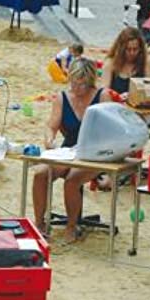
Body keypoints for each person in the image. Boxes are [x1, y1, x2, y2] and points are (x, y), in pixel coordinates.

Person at [32, 58, 114, 236]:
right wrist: (49, 139)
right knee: (40, 174)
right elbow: (51, 126)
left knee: (72, 181)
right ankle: (39, 223)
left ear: (90, 82)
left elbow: (111, 131)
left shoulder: (102, 96)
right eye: (74, 84)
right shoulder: (63, 97)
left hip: (94, 154)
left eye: (82, 85)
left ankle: (71, 226)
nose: (77, 89)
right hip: (69, 151)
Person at [104, 27, 150, 97]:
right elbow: (105, 92)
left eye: (135, 49)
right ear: (121, 49)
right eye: (128, 49)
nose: (132, 53)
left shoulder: (147, 62)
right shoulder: (110, 63)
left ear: (140, 49)